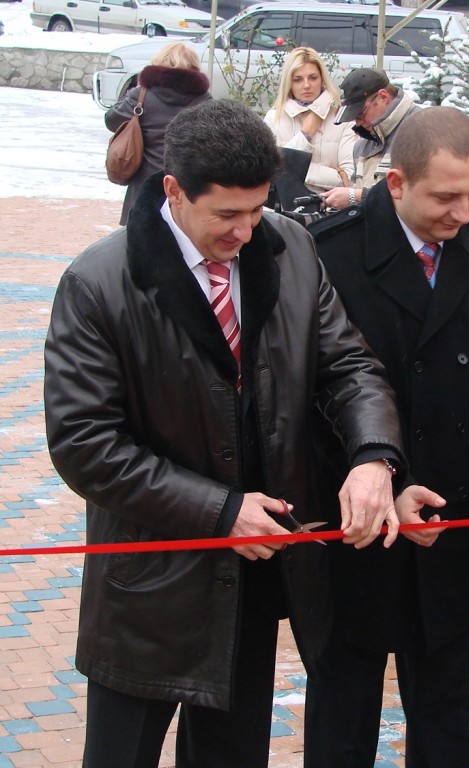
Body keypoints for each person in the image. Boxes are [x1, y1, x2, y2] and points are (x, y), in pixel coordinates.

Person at [44, 99, 406, 768]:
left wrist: (373, 456)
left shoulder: (289, 245)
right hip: (149, 583)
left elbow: (347, 366)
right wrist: (219, 510)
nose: (247, 231)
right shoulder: (99, 281)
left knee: (232, 757)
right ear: (174, 192)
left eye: (257, 208)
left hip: (254, 574)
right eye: (226, 216)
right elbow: (85, 446)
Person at [304, 105, 469, 767]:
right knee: (343, 712)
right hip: (357, 514)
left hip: (451, 507)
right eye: (446, 196)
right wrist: (381, 482)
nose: (463, 211)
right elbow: (310, 393)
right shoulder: (329, 251)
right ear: (395, 184)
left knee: (445, 710)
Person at [104, 41, 210, 225]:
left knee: (139, 243)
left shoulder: (142, 96)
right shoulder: (205, 102)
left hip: (143, 187)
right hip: (185, 187)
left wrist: (130, 96)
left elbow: (111, 120)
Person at [320, 67, 419, 210]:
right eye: (354, 118)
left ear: (383, 97)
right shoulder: (361, 146)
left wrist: (357, 197)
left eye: (360, 113)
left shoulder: (422, 131)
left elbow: (419, 196)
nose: (358, 123)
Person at [264, 46, 355, 193]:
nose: (306, 85)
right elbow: (271, 172)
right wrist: (305, 134)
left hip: (334, 208)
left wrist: (293, 170)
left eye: (313, 78)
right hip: (286, 208)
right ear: (289, 83)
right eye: (298, 79)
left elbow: (350, 178)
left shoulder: (342, 115)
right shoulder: (274, 117)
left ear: (322, 78)